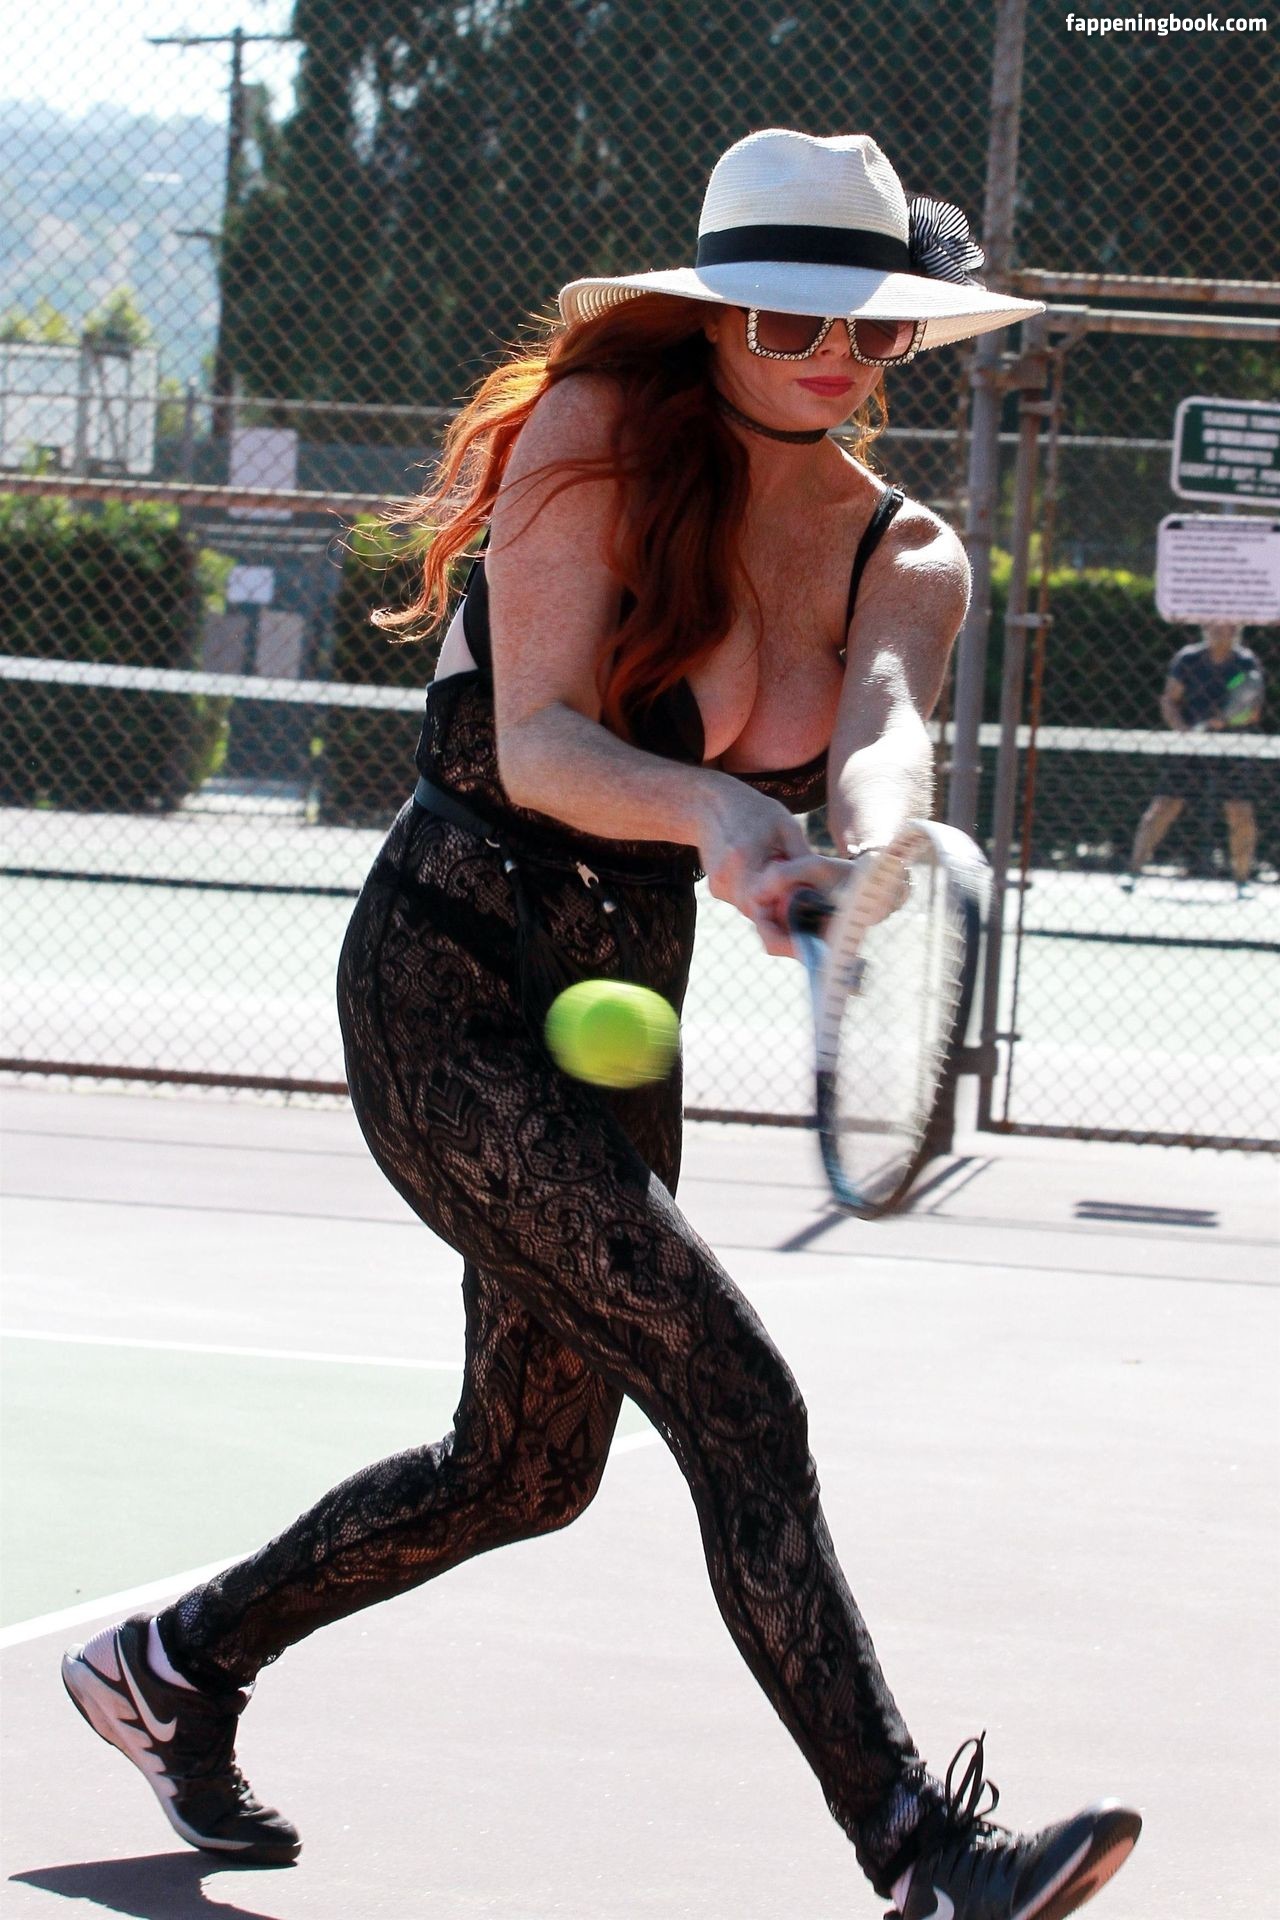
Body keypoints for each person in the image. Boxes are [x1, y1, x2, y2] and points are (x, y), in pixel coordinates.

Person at [60, 130, 1142, 1920]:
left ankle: (170, 1668)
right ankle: (922, 1854)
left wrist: (866, 855)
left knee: (526, 1471)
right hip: (449, 981)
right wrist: (719, 813)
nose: (832, 355)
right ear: (713, 314)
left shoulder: (910, 549)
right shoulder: (593, 442)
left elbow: (882, 738)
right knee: (738, 1393)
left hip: (619, 1010)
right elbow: (546, 739)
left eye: (871, 328)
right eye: (789, 317)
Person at [1120, 620, 1265, 897]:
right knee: (1164, 806)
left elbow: (1251, 709)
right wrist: (1184, 732)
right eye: (1215, 625)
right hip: (1191, 745)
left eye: (1229, 626)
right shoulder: (1187, 659)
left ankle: (1242, 881)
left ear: (1237, 631)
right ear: (1205, 628)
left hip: (1232, 746)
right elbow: (1169, 700)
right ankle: (1133, 872)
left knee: (1240, 811)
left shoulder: (1246, 663)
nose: (1222, 630)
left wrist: (1224, 721)